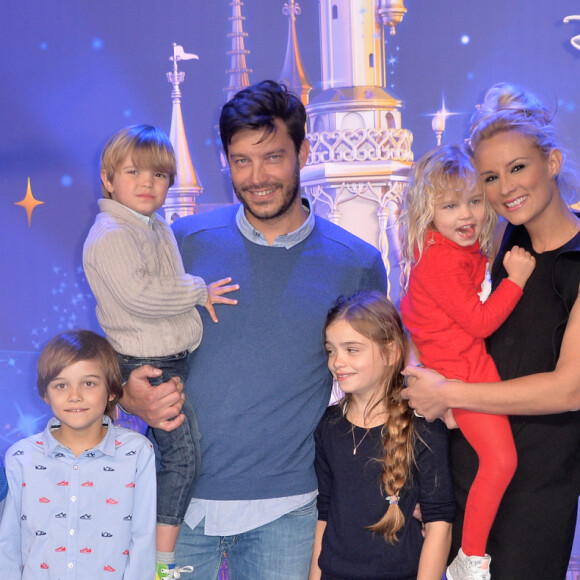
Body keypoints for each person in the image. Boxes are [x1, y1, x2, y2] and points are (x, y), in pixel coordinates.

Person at [119, 80, 388, 579]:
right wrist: (129, 395)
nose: (257, 176)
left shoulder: (357, 263)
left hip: (289, 512)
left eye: (273, 157)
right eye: (241, 160)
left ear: (303, 152)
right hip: (175, 508)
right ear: (225, 161)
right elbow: (124, 339)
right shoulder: (183, 241)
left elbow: (375, 390)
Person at [401, 83, 580, 580]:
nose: (505, 189)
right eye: (490, 178)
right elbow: (434, 318)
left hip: (538, 483)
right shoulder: (499, 245)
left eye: (518, 168)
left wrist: (450, 394)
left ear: (553, 162)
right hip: (464, 466)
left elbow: (570, 389)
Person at [83, 125, 238, 579]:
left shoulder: (151, 227)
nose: (148, 183)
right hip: (146, 363)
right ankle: (160, 563)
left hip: (165, 357)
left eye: (159, 175)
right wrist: (197, 290)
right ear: (108, 179)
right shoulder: (112, 232)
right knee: (182, 456)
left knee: (154, 456)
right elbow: (140, 295)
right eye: (133, 172)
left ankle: (134, 539)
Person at [399, 143, 536, 579]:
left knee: (499, 463)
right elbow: (479, 322)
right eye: (451, 204)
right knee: (501, 462)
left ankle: (469, 556)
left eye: (475, 201)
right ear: (428, 211)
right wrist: (515, 281)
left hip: (463, 370)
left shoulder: (458, 252)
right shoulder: (440, 261)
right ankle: (469, 559)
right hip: (465, 373)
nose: (468, 215)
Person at [309, 291, 455, 580]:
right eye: (331, 350)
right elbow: (323, 515)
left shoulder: (423, 426)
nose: (337, 361)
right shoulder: (327, 425)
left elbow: (440, 522)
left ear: (391, 353)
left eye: (352, 349)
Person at [0, 330, 156, 579]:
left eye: (89, 383)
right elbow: (7, 546)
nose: (75, 396)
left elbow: (144, 540)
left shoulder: (136, 453)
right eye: (61, 385)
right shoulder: (21, 457)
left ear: (112, 390)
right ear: (45, 393)